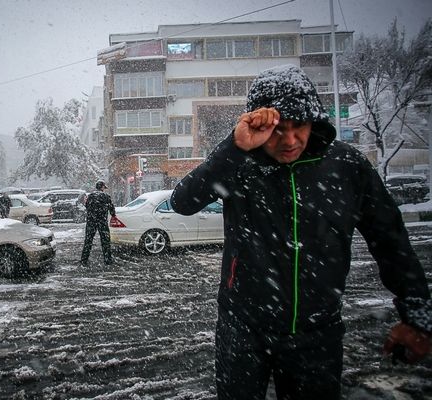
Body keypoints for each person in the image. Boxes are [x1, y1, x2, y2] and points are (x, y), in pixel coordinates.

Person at [170, 65, 431, 400]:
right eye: (278, 130)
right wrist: (234, 147)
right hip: (243, 329)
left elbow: (390, 240)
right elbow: (182, 202)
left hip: (317, 332)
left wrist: (417, 315)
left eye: (299, 127)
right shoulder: (241, 164)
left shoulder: (346, 166)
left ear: (315, 122)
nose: (290, 140)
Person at [80, 180, 116, 267]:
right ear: (102, 187)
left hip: (91, 221)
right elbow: (111, 207)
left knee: (88, 240)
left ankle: (84, 259)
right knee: (105, 241)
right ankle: (107, 260)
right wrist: (113, 215)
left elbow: (87, 206)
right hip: (102, 221)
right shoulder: (106, 196)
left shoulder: (90, 196)